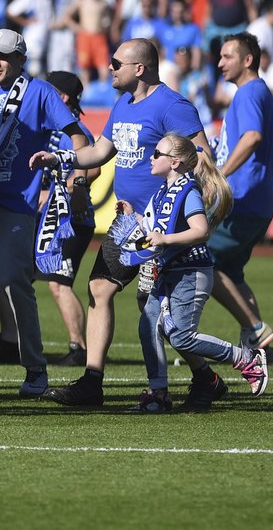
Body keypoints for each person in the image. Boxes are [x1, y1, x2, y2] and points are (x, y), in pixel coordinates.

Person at [32, 37, 212, 408]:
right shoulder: (124, 104)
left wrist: (180, 206)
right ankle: (92, 381)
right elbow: (100, 150)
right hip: (127, 223)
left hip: (159, 226)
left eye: (117, 63)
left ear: (139, 68)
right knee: (99, 287)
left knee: (156, 311)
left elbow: (202, 155)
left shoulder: (173, 106)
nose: (110, 67)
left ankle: (201, 378)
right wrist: (61, 159)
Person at [0, 30, 87, 398]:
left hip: (16, 209)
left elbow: (79, 139)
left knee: (15, 286)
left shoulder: (40, 92)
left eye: (4, 56)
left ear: (21, 60)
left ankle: (35, 369)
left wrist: (67, 174)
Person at [116, 133, 268, 412]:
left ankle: (246, 358)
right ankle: (158, 394)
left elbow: (201, 230)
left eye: (157, 154)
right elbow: (154, 228)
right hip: (170, 272)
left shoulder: (188, 191)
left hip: (191, 272)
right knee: (148, 326)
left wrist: (165, 240)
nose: (151, 157)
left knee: (182, 336)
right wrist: (132, 216)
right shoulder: (163, 190)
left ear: (174, 162)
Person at [209, 33, 273, 364]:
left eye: (227, 57)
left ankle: (255, 330)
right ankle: (262, 345)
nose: (220, 63)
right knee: (231, 272)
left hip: (241, 199)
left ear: (247, 60)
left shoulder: (249, 93)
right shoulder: (256, 93)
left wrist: (221, 172)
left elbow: (252, 136)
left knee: (201, 260)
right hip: (258, 203)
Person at [35, 72, 100, 367]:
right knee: (4, 274)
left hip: (71, 219)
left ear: (61, 98)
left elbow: (91, 168)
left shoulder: (74, 130)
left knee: (59, 284)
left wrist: (56, 192)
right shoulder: (51, 126)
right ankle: (11, 340)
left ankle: (80, 347)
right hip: (49, 216)